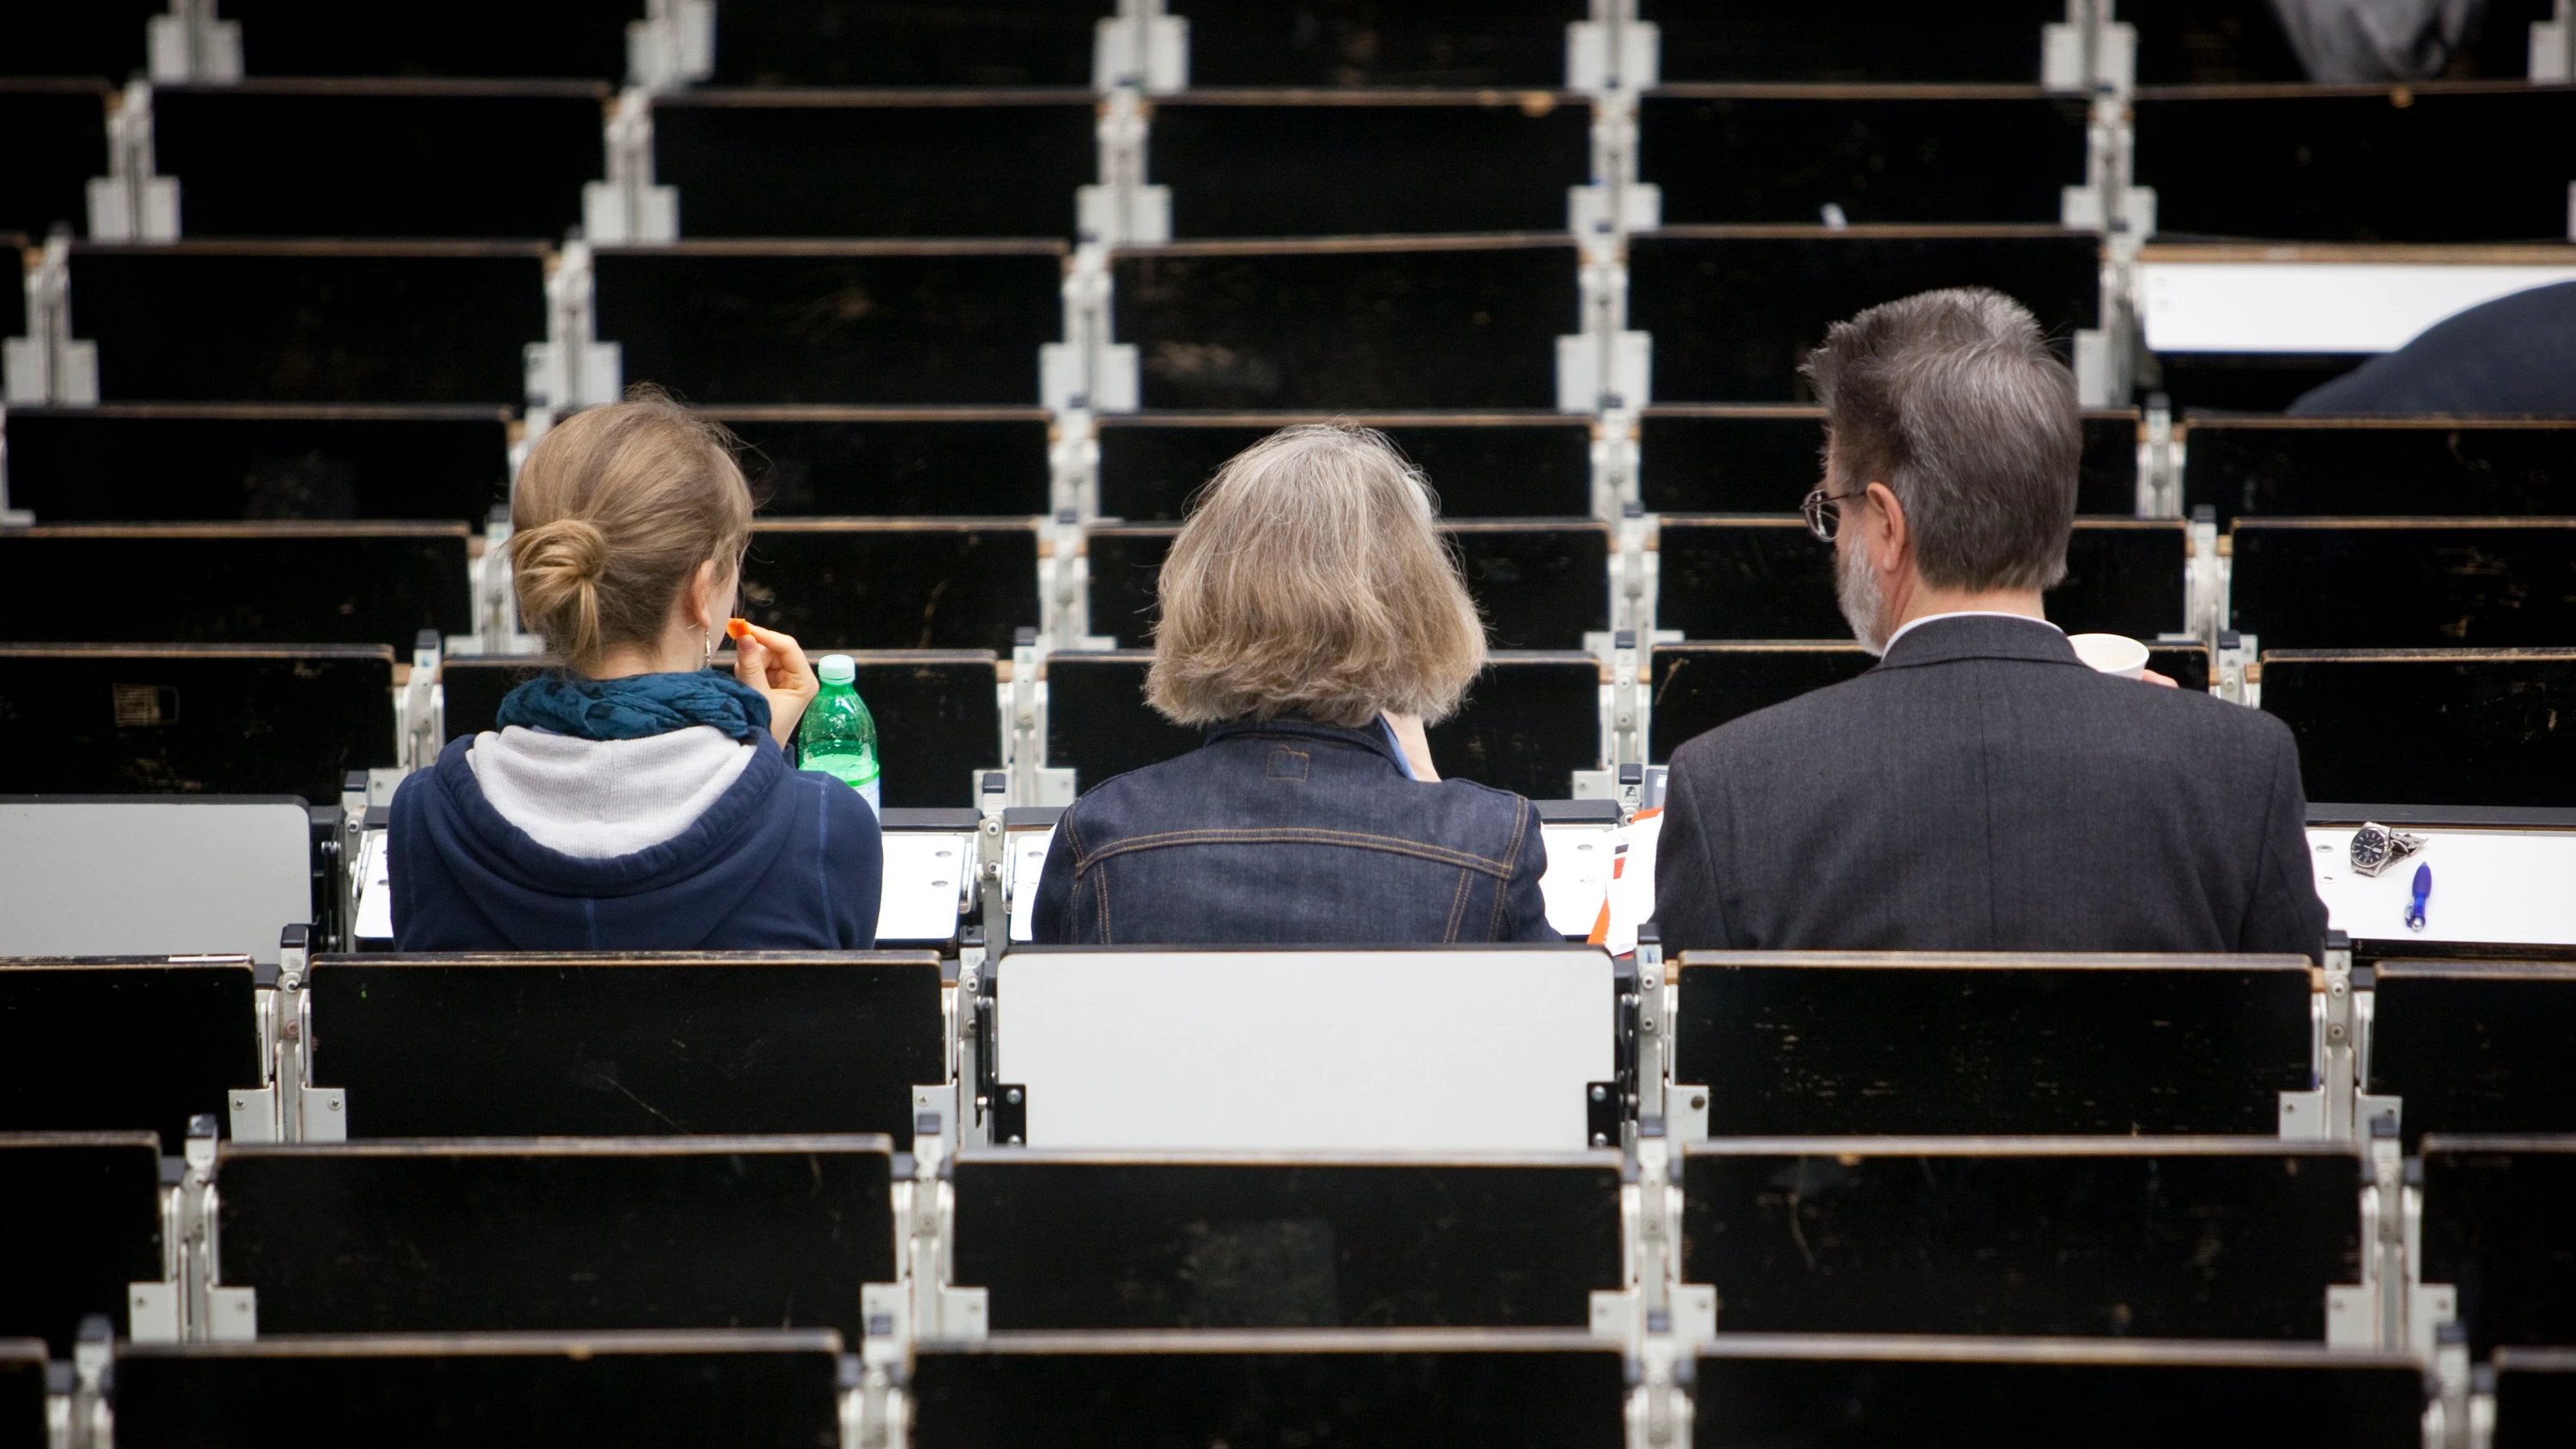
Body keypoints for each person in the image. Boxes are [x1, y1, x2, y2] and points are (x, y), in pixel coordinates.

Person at [1653, 288, 2329, 957]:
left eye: (1838, 511)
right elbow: (2292, 1049)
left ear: (1888, 527)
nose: (1838, 539)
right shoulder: (2241, 770)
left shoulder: (1730, 791)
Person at [391, 391, 881, 950]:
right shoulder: (825, 827)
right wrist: (761, 754)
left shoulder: (423, 821)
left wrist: (759, 754)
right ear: (702, 592)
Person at [1031, 424, 1555, 945]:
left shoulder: (1102, 835)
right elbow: (1567, 1017)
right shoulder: (1489, 842)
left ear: (1204, 596)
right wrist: (1432, 794)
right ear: (1418, 606)